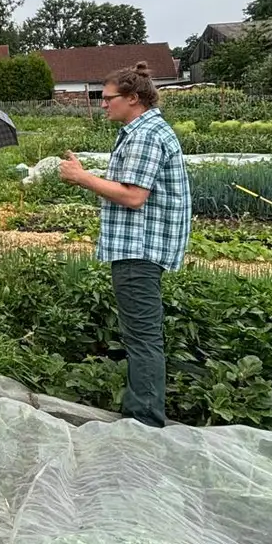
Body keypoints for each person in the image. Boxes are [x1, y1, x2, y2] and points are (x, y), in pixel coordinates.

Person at [58, 62, 191, 429]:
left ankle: (144, 421)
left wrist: (83, 178)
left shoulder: (146, 135)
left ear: (133, 98)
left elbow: (134, 197)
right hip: (139, 247)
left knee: (143, 338)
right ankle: (142, 413)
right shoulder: (142, 131)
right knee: (141, 335)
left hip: (140, 250)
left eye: (108, 98)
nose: (103, 105)